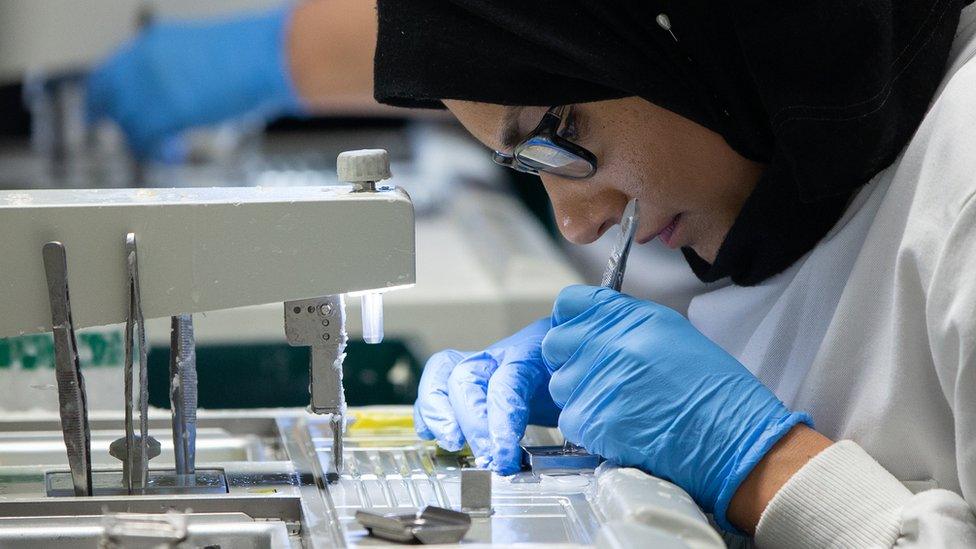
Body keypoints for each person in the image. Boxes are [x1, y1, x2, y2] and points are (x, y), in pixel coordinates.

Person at [87, 0, 976, 545]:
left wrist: (765, 465)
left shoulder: (963, 181)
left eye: (560, 136)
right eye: (528, 167)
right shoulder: (777, 186)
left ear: (679, 25)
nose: (580, 220)